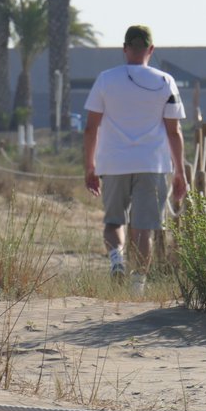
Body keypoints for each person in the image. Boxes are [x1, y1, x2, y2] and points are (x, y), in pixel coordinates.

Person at [83, 25, 187, 293]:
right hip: (152, 164)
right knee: (144, 229)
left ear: (125, 48)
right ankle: (137, 285)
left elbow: (90, 127)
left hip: (114, 163)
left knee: (114, 221)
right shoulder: (166, 82)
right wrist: (179, 173)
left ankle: (116, 258)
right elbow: (174, 131)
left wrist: (90, 167)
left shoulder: (106, 80)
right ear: (151, 50)